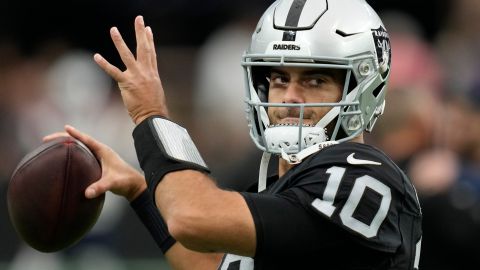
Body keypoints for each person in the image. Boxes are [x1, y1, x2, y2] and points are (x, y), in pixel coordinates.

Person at [44, 0, 422, 269]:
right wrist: (140, 192)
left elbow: (190, 216)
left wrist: (149, 115)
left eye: (315, 80)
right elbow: (217, 266)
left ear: (365, 87)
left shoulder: (364, 177)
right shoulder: (280, 185)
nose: (289, 97)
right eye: (278, 79)